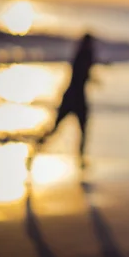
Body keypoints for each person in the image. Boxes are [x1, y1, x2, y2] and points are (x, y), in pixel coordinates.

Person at [35, 33, 96, 168]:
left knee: (62, 128)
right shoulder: (85, 56)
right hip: (76, 97)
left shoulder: (80, 55)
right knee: (78, 130)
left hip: (70, 96)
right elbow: (80, 77)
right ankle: (38, 145)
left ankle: (38, 146)